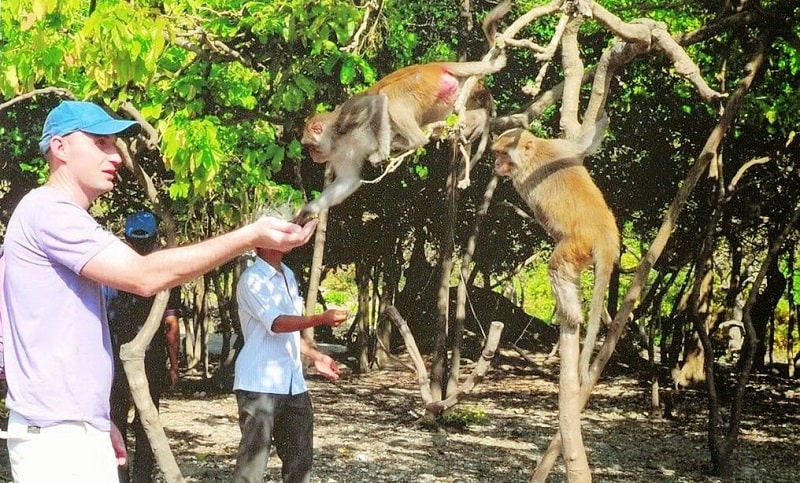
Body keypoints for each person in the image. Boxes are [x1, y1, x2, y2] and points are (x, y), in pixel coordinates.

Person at [1, 100, 318, 483]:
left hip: (74, 428)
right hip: (57, 436)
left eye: (114, 143)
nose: (115, 154)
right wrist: (249, 236)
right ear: (60, 147)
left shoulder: (60, 218)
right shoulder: (50, 211)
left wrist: (99, 421)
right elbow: (144, 275)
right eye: (100, 142)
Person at [232, 222, 348, 483]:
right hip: (259, 383)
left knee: (300, 462)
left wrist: (316, 356)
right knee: (252, 465)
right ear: (261, 243)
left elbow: (290, 331)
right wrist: (321, 318)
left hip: (293, 383)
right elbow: (277, 323)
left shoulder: (288, 275)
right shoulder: (252, 280)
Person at [106, 210, 181, 483]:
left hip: (115, 358)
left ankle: (119, 475)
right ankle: (142, 478)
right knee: (146, 421)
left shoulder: (110, 271)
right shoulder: (164, 274)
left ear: (125, 238)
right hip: (151, 359)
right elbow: (171, 325)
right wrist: (174, 365)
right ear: (156, 239)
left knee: (116, 418)